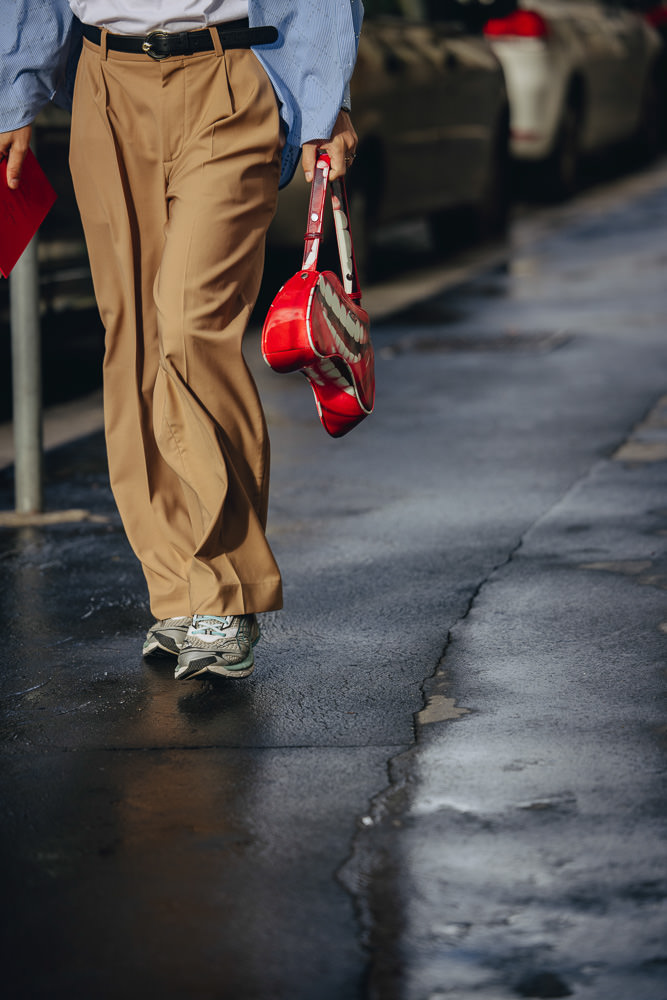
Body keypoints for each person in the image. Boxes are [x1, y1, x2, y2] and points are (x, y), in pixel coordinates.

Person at [0, 1, 362, 681]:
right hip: (104, 80)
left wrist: (324, 101)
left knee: (192, 323)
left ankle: (226, 590)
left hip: (229, 75)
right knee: (131, 337)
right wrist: (15, 93)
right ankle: (175, 589)